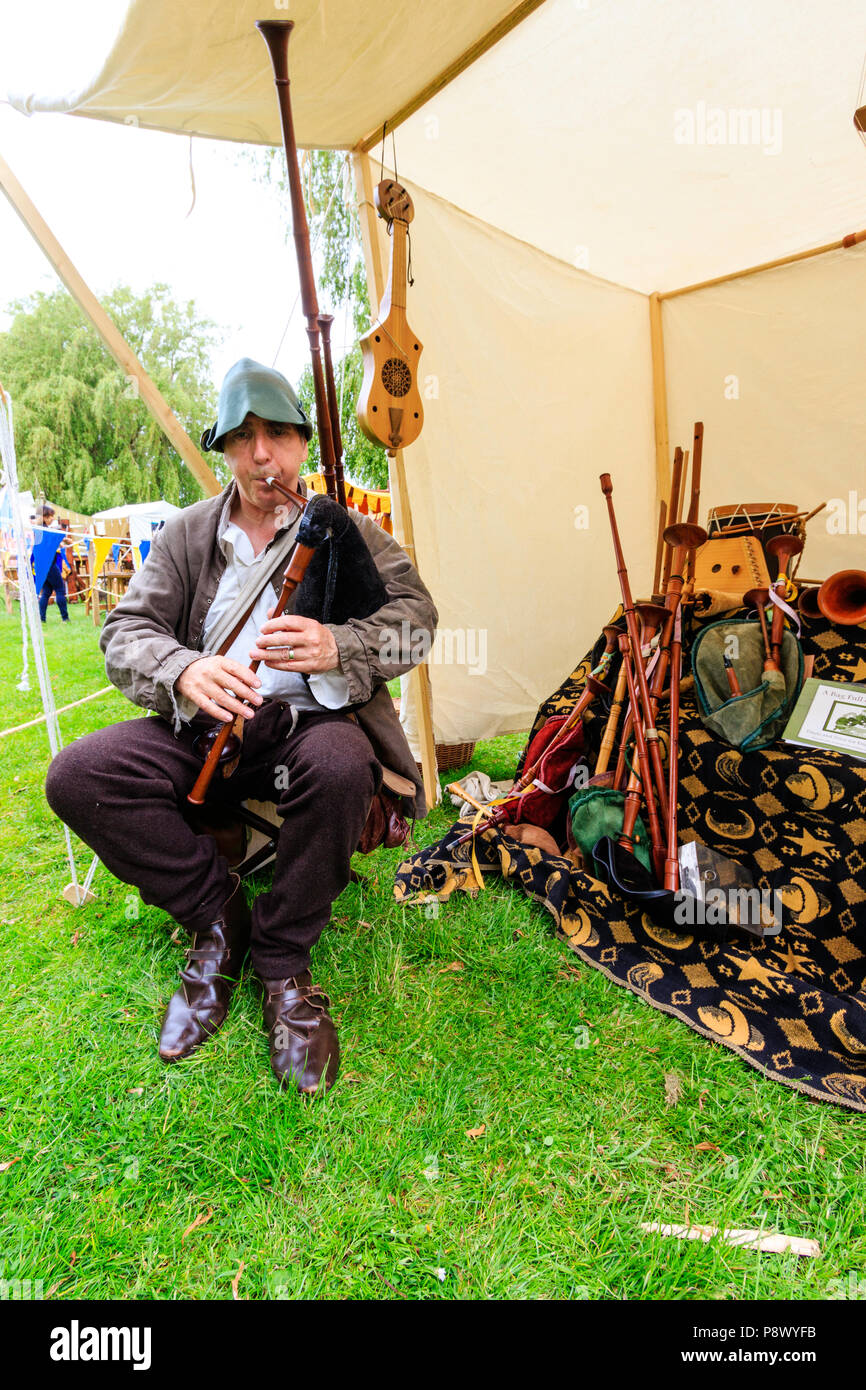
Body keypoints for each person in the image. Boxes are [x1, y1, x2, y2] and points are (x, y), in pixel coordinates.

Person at [45, 358, 438, 1095]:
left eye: (281, 435)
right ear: (225, 448)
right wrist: (184, 670)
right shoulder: (189, 535)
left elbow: (417, 622)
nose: (265, 455)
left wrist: (339, 645)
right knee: (78, 776)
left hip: (306, 725)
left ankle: (284, 960)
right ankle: (218, 918)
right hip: (205, 730)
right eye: (246, 437)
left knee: (341, 763)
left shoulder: (345, 529)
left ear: (302, 444)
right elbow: (126, 632)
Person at [37, 504, 69, 623]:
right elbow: (48, 545)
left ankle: (42, 619)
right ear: (44, 517)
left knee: (46, 592)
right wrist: (62, 539)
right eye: (50, 516)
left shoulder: (40, 529)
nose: (52, 519)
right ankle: (65, 618)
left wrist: (60, 541)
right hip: (48, 564)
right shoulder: (43, 529)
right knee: (60, 589)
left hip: (41, 565)